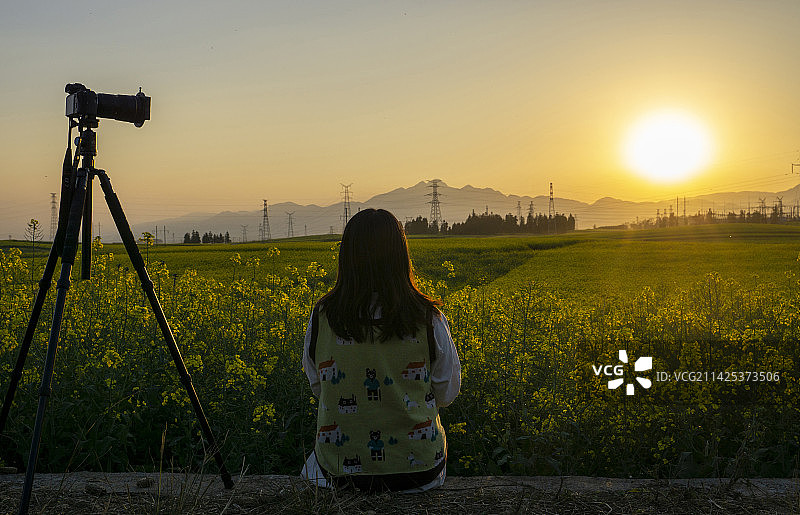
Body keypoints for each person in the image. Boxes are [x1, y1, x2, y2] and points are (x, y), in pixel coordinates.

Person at [301, 208, 461, 492]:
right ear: (400, 256)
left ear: (347, 258)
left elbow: (320, 388)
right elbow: (447, 394)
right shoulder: (428, 318)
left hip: (340, 476)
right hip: (420, 475)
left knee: (311, 468)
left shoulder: (321, 317)